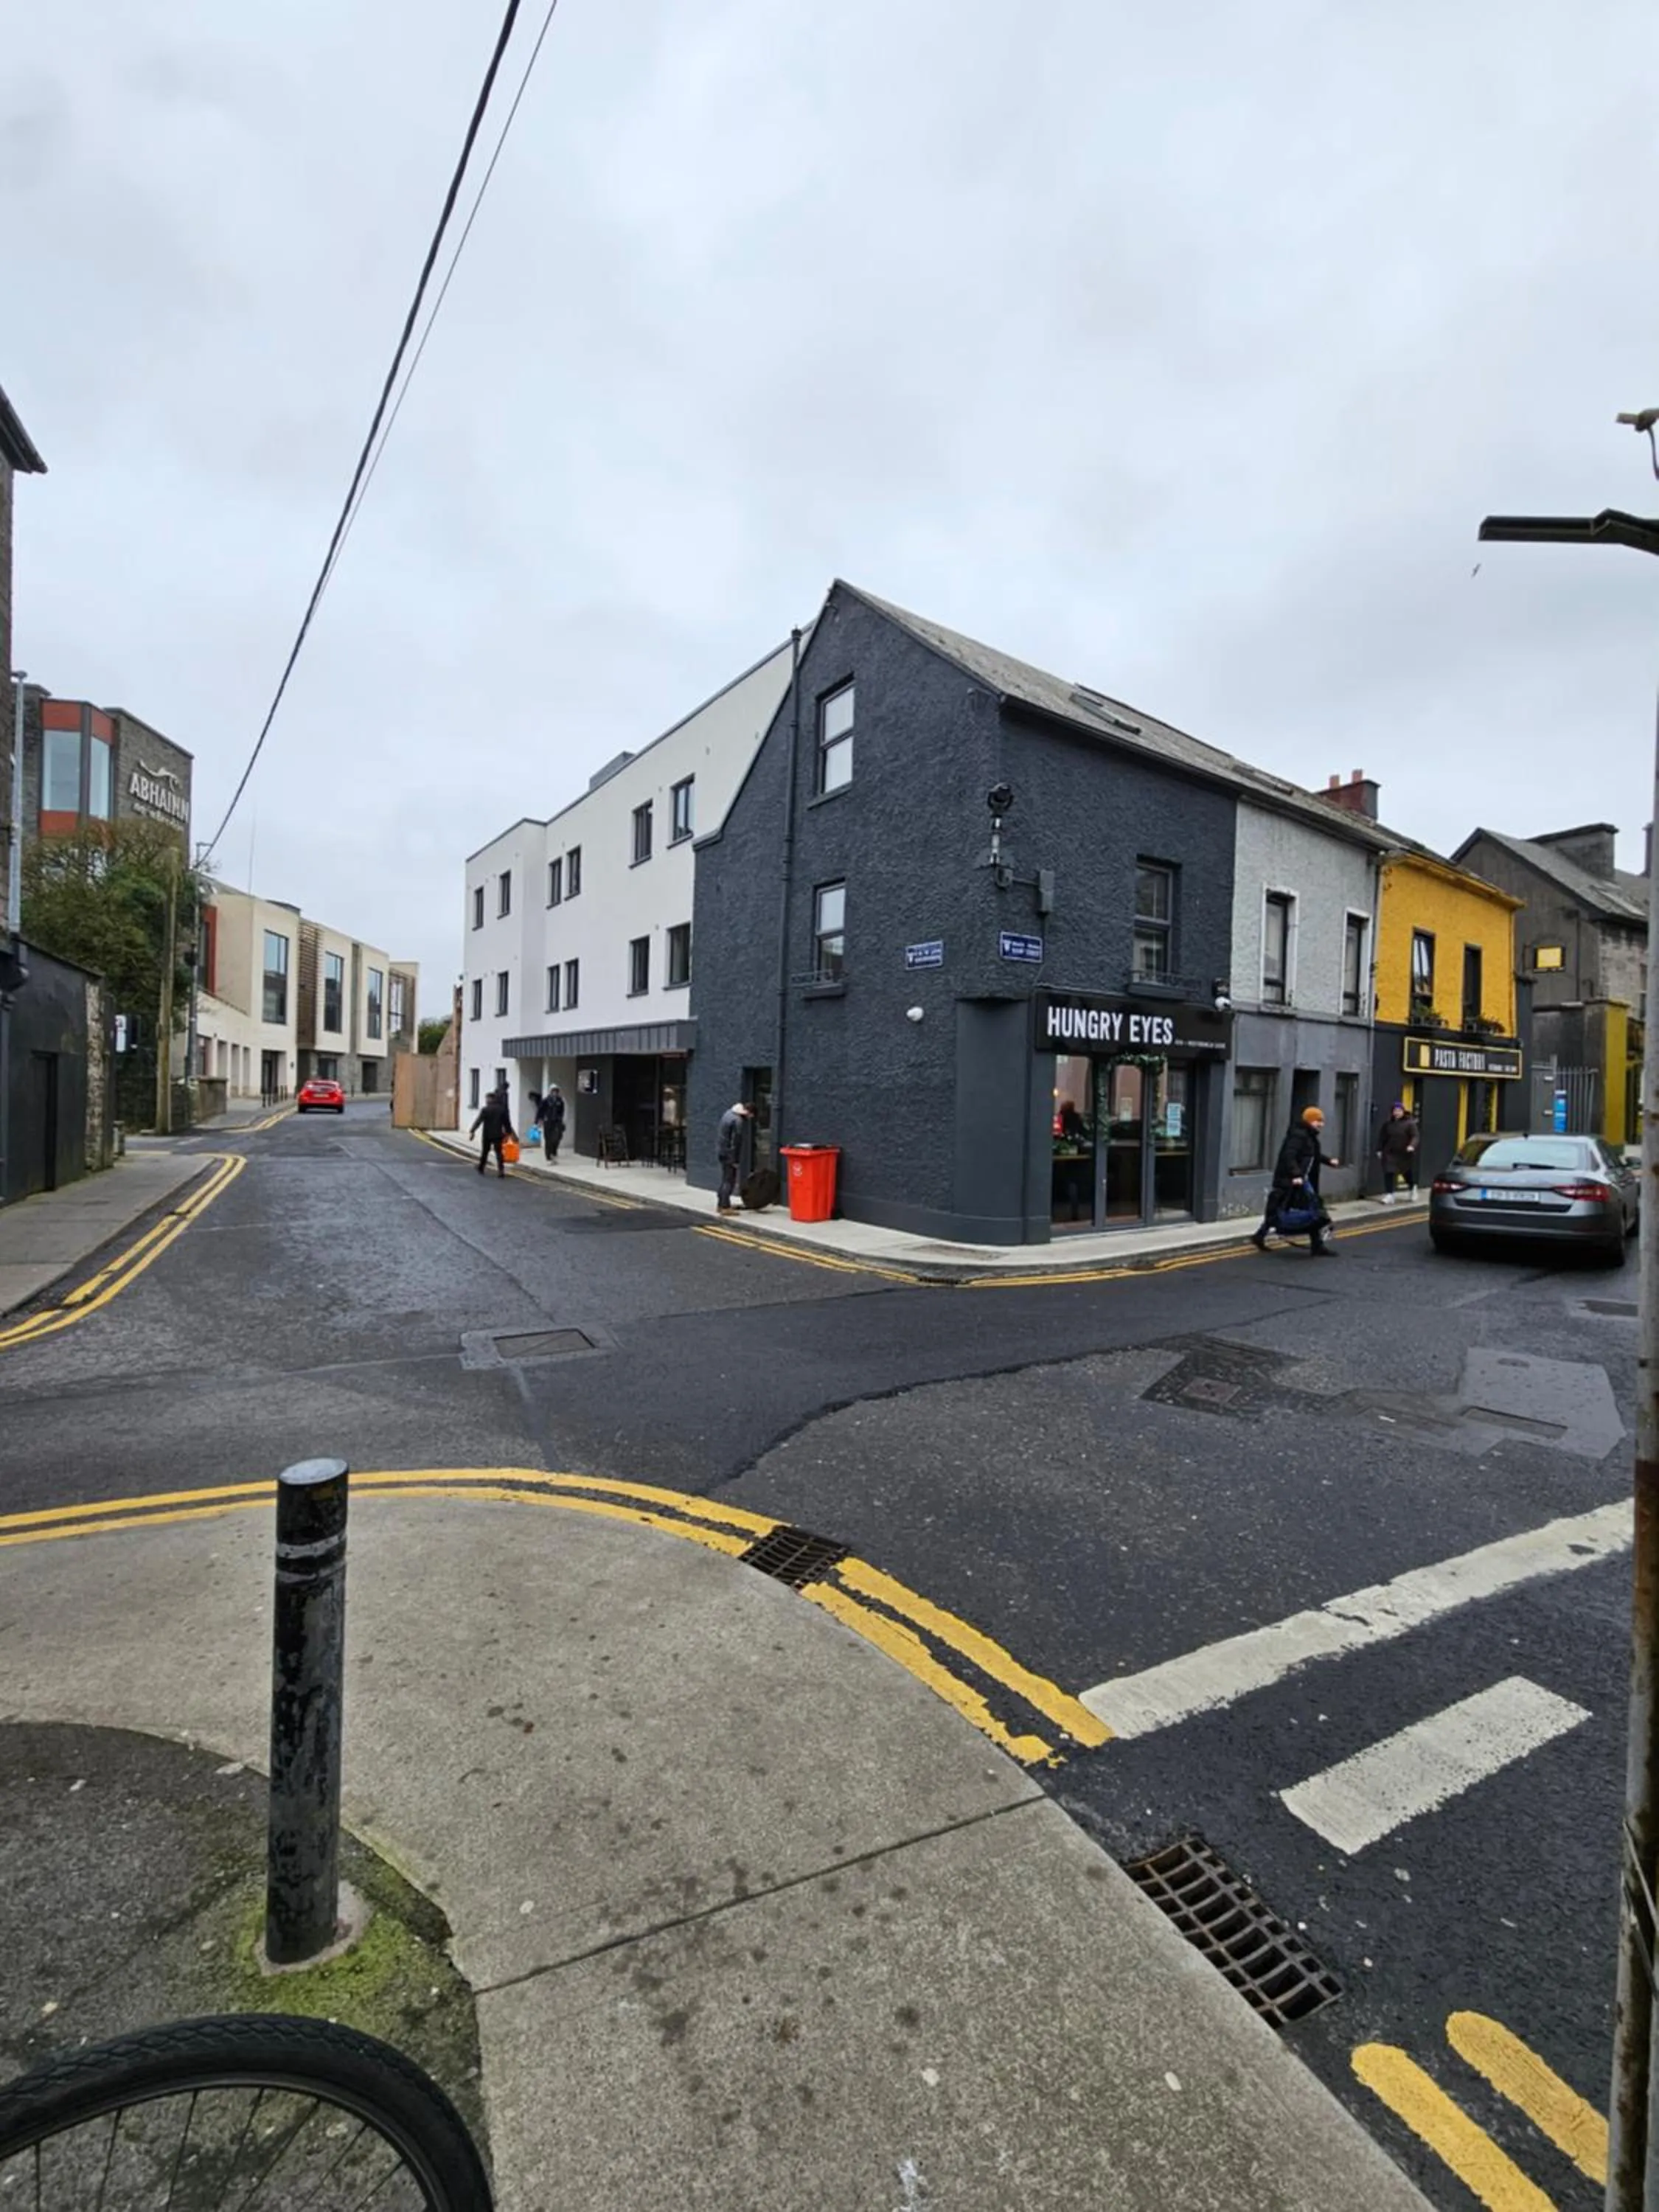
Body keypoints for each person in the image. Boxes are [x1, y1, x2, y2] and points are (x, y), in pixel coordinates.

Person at [1251, 1105, 1340, 1256]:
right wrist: (1296, 1175)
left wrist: (1329, 1161)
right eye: (1318, 1121)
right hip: (1290, 1180)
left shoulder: (1309, 1136)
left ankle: (1317, 1245)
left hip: (1302, 1180)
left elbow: (1313, 1155)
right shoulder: (1298, 1136)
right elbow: (1289, 1156)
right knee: (1282, 1210)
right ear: (1310, 1121)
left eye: (1322, 1121)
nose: (1321, 1124)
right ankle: (1260, 1236)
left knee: (1312, 1210)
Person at [1376, 1102, 1419, 1204]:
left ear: (1403, 1112)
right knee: (1389, 1173)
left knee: (1406, 1173)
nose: (1397, 1113)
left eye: (1399, 1111)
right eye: (1395, 1111)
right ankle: (1390, 1194)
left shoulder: (1410, 1124)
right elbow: (1382, 1138)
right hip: (1390, 1152)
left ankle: (1412, 1188)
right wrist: (1379, 1149)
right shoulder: (1388, 1124)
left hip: (1404, 1153)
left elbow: (1415, 1136)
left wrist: (1411, 1146)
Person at [715, 1099, 754, 1212]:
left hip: (721, 1151)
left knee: (724, 1179)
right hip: (729, 1154)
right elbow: (736, 1142)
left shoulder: (728, 1114)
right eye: (751, 1116)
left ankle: (721, 1204)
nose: (750, 1118)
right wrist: (735, 1160)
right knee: (729, 1180)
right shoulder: (737, 1121)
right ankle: (725, 1207)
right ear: (748, 1112)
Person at [471, 1087, 515, 1178]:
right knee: (499, 1153)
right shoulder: (501, 1109)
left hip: (487, 1134)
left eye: (487, 1099)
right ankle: (501, 1170)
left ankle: (481, 1168)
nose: (486, 1101)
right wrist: (509, 1132)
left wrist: (473, 1131)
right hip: (498, 1134)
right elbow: (507, 1122)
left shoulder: (486, 1109)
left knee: (485, 1152)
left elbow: (479, 1121)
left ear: (491, 1099)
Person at [543, 1084, 567, 1161]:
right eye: (553, 1091)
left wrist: (562, 1120)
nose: (555, 1093)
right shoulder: (546, 1100)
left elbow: (563, 1111)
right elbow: (541, 1111)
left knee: (557, 1137)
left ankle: (554, 1151)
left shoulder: (560, 1101)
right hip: (548, 1122)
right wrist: (539, 1120)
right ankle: (548, 1155)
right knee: (548, 1138)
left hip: (557, 1122)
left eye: (556, 1091)